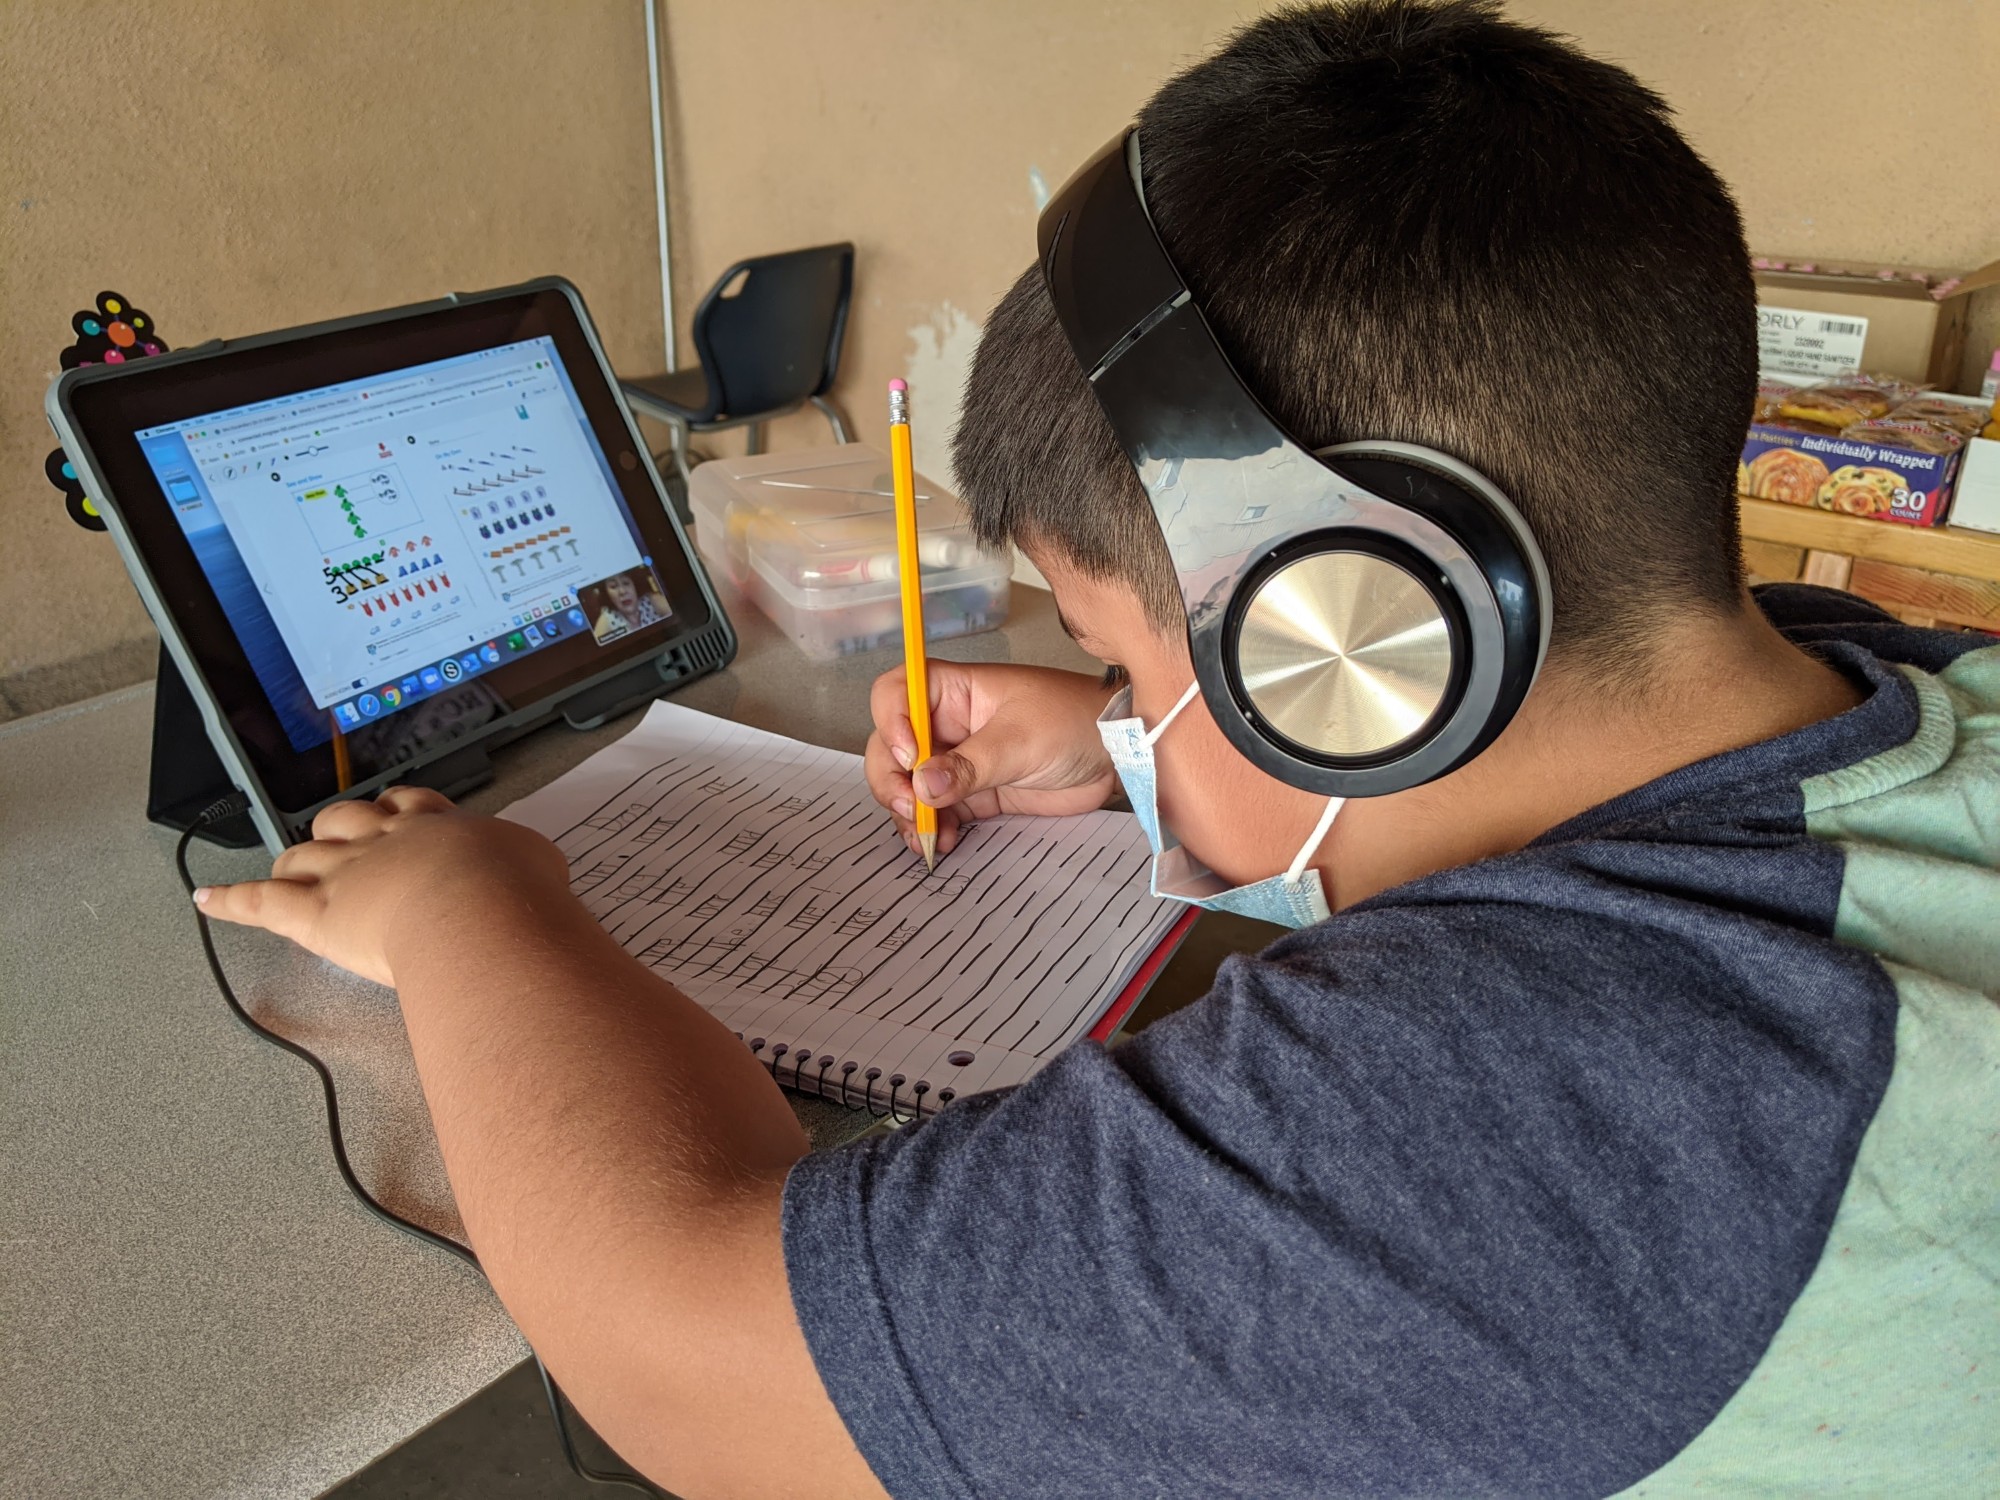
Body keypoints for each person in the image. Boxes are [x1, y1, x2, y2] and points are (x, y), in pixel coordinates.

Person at [195, 3, 1999, 1495]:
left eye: (1116, 646)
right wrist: (1130, 747)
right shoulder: (1918, 705)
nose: (1123, 693)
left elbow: (686, 1360)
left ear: (1349, 652)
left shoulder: (1522, 1120)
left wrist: (463, 909)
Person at [591, 566, 672, 643]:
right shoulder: (606, 620)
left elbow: (680, 619)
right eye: (613, 586)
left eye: (626, 583)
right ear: (606, 593)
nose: (622, 591)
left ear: (635, 585)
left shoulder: (653, 601)